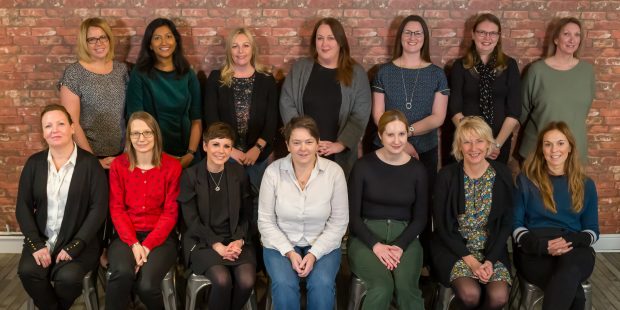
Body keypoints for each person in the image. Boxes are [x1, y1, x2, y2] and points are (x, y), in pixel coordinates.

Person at [16, 104, 108, 310]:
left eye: (60, 124)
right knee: (28, 271)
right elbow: (22, 206)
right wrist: (35, 244)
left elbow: (99, 209)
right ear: (43, 132)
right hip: (43, 240)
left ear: (72, 127)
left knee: (68, 278)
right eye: (48, 126)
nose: (54, 130)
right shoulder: (34, 164)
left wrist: (76, 244)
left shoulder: (91, 164)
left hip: (80, 243)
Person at [258, 116, 349, 310]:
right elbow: (265, 221)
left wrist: (314, 253)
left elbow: (339, 222)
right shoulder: (273, 172)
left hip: (322, 243)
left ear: (317, 143)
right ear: (287, 145)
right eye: (296, 142)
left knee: (322, 284)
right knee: (284, 285)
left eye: (309, 142)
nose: (303, 148)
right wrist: (289, 252)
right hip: (280, 244)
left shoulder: (334, 173)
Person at [513, 121, 598, 310]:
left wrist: (568, 242)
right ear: (541, 149)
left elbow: (592, 231)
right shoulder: (526, 180)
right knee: (573, 292)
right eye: (547, 144)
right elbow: (516, 225)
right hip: (535, 250)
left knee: (569, 271)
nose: (554, 150)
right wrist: (543, 246)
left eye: (560, 143)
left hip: (575, 247)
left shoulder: (586, 184)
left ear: (570, 147)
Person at [347, 110, 428, 309]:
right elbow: (353, 217)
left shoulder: (418, 170)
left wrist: (399, 246)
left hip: (405, 237)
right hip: (366, 237)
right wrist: (376, 245)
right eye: (390, 134)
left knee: (407, 288)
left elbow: (420, 218)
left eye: (401, 134)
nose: (396, 140)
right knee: (382, 287)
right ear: (380, 135)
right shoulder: (363, 166)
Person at [431, 116, 513, 309]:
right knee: (470, 294)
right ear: (459, 147)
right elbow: (443, 227)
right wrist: (473, 263)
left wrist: (490, 260)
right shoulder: (446, 176)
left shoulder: (502, 174)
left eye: (479, 141)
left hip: (491, 249)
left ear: (488, 144)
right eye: (466, 142)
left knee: (499, 296)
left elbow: (506, 223)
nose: (473, 148)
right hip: (454, 248)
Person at [106, 112, 181, 309]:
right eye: (135, 133)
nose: (141, 139)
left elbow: (170, 213)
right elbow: (117, 209)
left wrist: (146, 246)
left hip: (161, 239)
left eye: (147, 133)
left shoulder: (172, 167)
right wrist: (133, 243)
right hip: (125, 237)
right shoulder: (118, 166)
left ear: (156, 135)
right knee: (122, 273)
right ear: (128, 137)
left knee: (146, 286)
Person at [279, 17, 371, 177]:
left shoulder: (356, 73)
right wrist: (305, 142)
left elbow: (361, 113)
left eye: (330, 38)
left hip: (339, 155)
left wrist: (340, 144)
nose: (324, 44)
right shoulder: (300, 68)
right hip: (304, 152)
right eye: (319, 38)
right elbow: (287, 103)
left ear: (340, 42)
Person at [179, 122, 256, 310]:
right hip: (203, 241)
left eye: (226, 146)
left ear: (231, 149)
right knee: (222, 280)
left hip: (235, 238)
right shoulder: (190, 176)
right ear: (205, 146)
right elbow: (191, 220)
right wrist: (217, 245)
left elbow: (247, 212)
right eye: (215, 144)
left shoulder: (238, 173)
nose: (221, 150)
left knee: (246, 281)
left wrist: (238, 240)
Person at [371, 14, 449, 184]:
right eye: (408, 32)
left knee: (423, 200)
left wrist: (405, 134)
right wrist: (399, 141)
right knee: (386, 195)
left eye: (418, 33)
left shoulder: (437, 74)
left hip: (425, 149)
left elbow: (438, 117)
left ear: (425, 38)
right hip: (386, 147)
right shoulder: (384, 72)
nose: (412, 37)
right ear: (400, 37)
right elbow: (378, 114)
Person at [126, 18, 202, 168]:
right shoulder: (140, 74)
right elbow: (135, 121)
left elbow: (196, 120)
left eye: (168, 36)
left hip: (187, 155)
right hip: (152, 156)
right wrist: (160, 156)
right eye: (157, 38)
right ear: (150, 45)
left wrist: (190, 154)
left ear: (176, 41)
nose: (164, 42)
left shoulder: (188, 74)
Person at [519, 17, 594, 163]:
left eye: (577, 35)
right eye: (566, 34)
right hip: (538, 152)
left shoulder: (587, 71)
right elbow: (521, 111)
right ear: (555, 39)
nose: (572, 39)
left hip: (574, 152)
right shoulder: (537, 71)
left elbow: (582, 111)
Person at [448, 13, 521, 164]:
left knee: (495, 185)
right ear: (473, 35)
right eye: (482, 32)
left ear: (498, 37)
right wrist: (473, 143)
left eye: (493, 33)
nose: (487, 37)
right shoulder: (459, 66)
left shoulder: (510, 65)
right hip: (467, 144)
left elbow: (514, 111)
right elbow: (455, 109)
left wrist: (495, 144)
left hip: (499, 142)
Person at [58, 17, 128, 168]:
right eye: (92, 39)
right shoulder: (74, 73)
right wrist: (93, 161)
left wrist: (127, 153)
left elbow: (129, 113)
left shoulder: (121, 70)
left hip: (121, 156)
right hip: (88, 158)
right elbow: (72, 122)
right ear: (84, 43)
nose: (99, 43)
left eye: (103, 37)